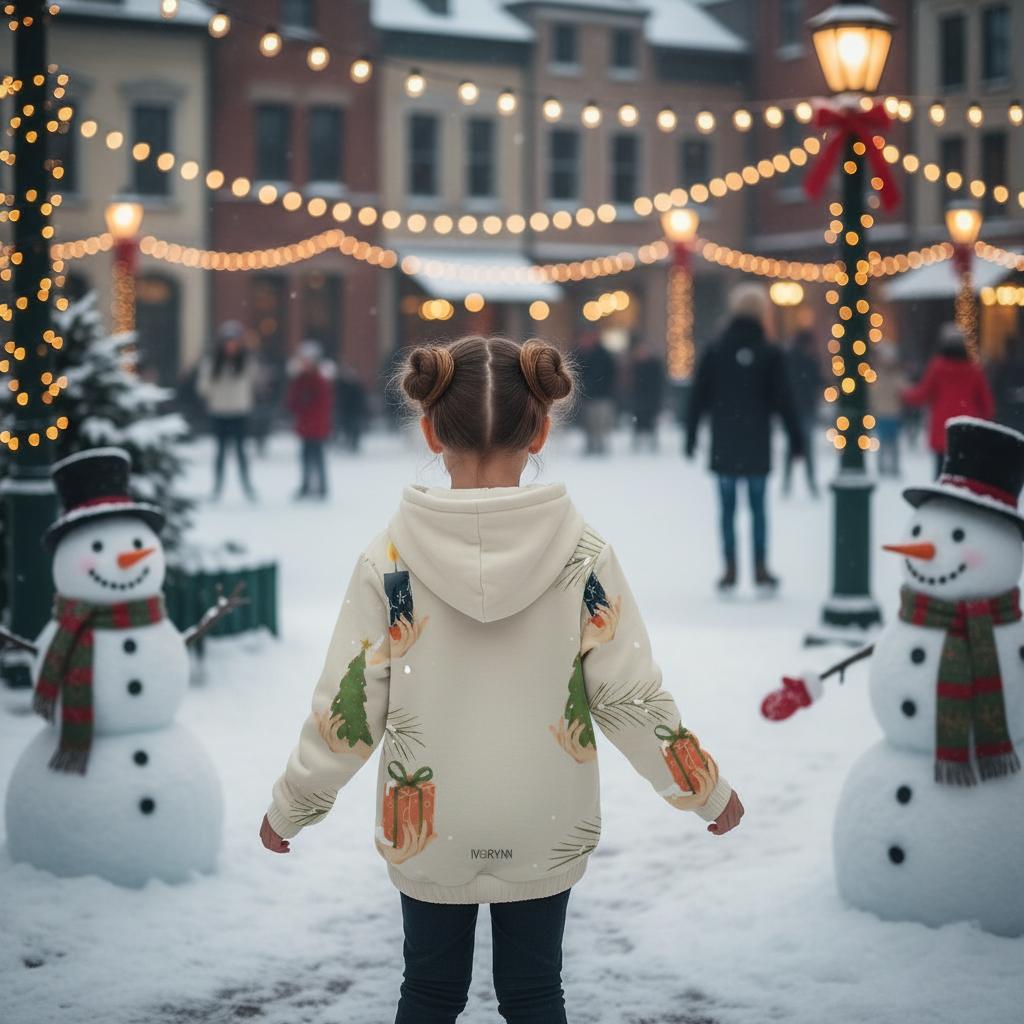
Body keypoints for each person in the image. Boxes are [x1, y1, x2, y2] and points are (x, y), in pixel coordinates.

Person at [260, 335, 744, 1024]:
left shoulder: (389, 562)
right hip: (543, 815)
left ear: (430, 427)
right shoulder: (583, 557)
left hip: (428, 821)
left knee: (427, 992)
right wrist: (704, 789)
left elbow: (349, 708)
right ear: (541, 426)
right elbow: (629, 697)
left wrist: (293, 803)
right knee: (535, 992)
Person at [684, 283, 804, 592]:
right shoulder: (770, 353)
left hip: (724, 442)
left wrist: (691, 433)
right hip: (757, 443)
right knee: (758, 508)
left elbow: (699, 396)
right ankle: (761, 567)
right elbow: (785, 399)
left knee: (727, 510)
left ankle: (730, 567)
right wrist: (797, 439)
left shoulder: (716, 350)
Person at [900, 323, 994, 478]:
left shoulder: (938, 367)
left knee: (941, 475)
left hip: (942, 429)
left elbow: (921, 395)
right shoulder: (973, 369)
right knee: (963, 476)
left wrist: (903, 394)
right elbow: (987, 405)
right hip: (966, 429)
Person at [196, 320, 258, 501]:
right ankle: (217, 487)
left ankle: (247, 486)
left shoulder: (247, 362)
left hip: (240, 412)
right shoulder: (212, 363)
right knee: (220, 453)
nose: (231, 347)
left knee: (241, 452)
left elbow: (253, 384)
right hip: (219, 412)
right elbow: (202, 387)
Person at [287, 340, 334, 499]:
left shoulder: (320, 380)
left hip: (316, 426)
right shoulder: (300, 380)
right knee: (305, 458)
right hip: (305, 425)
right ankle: (306, 486)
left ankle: (322, 487)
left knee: (318, 458)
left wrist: (306, 404)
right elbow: (292, 402)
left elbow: (323, 403)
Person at [782, 326, 821, 497]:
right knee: (801, 447)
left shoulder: (796, 359)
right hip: (800, 410)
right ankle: (801, 483)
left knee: (795, 447)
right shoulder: (801, 360)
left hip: (799, 409)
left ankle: (791, 483)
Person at [575, 331, 617, 454]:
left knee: (601, 422)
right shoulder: (579, 354)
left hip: (602, 395)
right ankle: (591, 444)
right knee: (588, 423)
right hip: (586, 395)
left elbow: (610, 374)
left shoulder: (603, 355)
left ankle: (601, 445)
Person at [870, 341, 907, 477]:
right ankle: (888, 468)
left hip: (888, 413)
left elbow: (903, 391)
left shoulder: (884, 374)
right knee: (889, 443)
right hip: (888, 413)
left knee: (889, 443)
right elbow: (904, 390)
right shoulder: (891, 374)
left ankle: (888, 467)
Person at [629, 342, 665, 451]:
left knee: (651, 421)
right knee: (638, 421)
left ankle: (652, 442)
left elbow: (659, 384)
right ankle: (637, 442)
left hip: (651, 398)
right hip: (638, 398)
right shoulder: (635, 366)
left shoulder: (655, 366)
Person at [335, 363, 368, 452]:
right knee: (347, 428)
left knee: (355, 429)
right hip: (346, 411)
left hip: (354, 411)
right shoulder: (342, 385)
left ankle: (354, 445)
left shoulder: (357, 386)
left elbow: (361, 400)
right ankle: (349, 443)